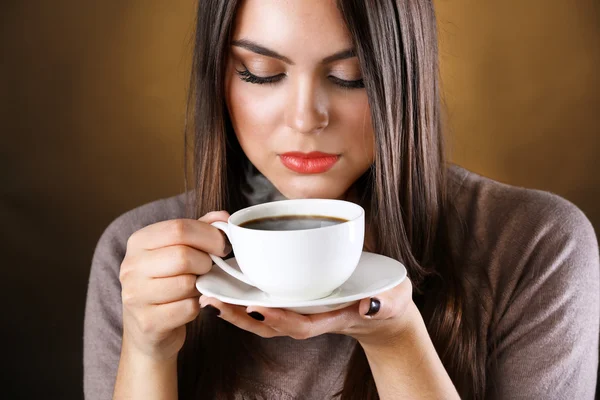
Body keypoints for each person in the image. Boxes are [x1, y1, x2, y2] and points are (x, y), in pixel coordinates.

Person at [83, 1, 600, 399]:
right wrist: (148, 353)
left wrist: (395, 339)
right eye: (262, 72)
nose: (306, 119)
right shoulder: (145, 259)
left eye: (348, 76)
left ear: (403, 79)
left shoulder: (533, 244)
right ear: (219, 78)